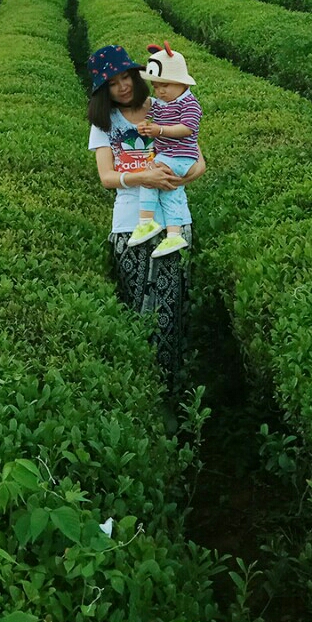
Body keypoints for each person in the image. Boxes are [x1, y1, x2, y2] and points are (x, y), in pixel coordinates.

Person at [86, 44, 205, 400]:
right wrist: (144, 178)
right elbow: (107, 177)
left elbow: (198, 161)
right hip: (129, 224)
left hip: (172, 222)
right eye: (112, 83)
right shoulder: (104, 124)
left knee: (170, 308)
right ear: (102, 91)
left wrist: (177, 180)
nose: (122, 86)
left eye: (127, 77)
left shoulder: (164, 108)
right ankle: (140, 394)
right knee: (136, 307)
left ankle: (169, 395)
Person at [129, 42, 201, 258]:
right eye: (156, 86)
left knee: (150, 175)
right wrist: (146, 126)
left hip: (181, 156)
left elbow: (187, 128)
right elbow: (149, 114)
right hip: (168, 155)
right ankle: (173, 235)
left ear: (181, 82)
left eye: (165, 85)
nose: (160, 91)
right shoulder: (162, 102)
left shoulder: (189, 104)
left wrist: (159, 130)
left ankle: (146, 222)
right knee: (171, 193)